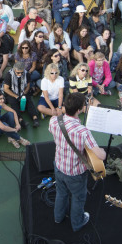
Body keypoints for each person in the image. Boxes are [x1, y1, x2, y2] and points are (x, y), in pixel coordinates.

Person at [48, 93, 106, 232]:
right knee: (78, 198)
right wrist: (102, 151)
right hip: (75, 173)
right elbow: (101, 156)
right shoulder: (83, 132)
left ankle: (58, 217)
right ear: (80, 110)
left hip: (59, 166)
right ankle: (77, 223)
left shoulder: (54, 121)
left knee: (61, 193)